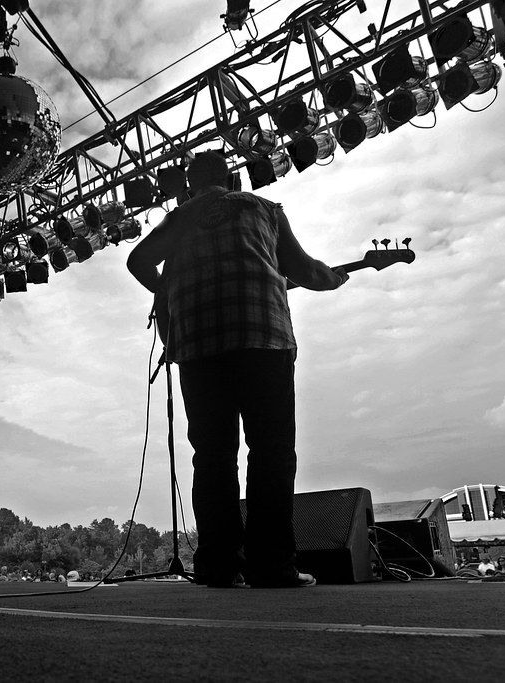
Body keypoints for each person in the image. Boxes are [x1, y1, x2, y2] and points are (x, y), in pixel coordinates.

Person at [126, 150, 347, 588]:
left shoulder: (181, 218)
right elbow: (302, 269)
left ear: (190, 185)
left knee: (212, 456)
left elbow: (137, 261)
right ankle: (272, 567)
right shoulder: (262, 207)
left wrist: (170, 291)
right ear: (230, 178)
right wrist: (333, 278)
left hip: (198, 346)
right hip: (262, 338)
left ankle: (218, 566)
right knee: (271, 453)